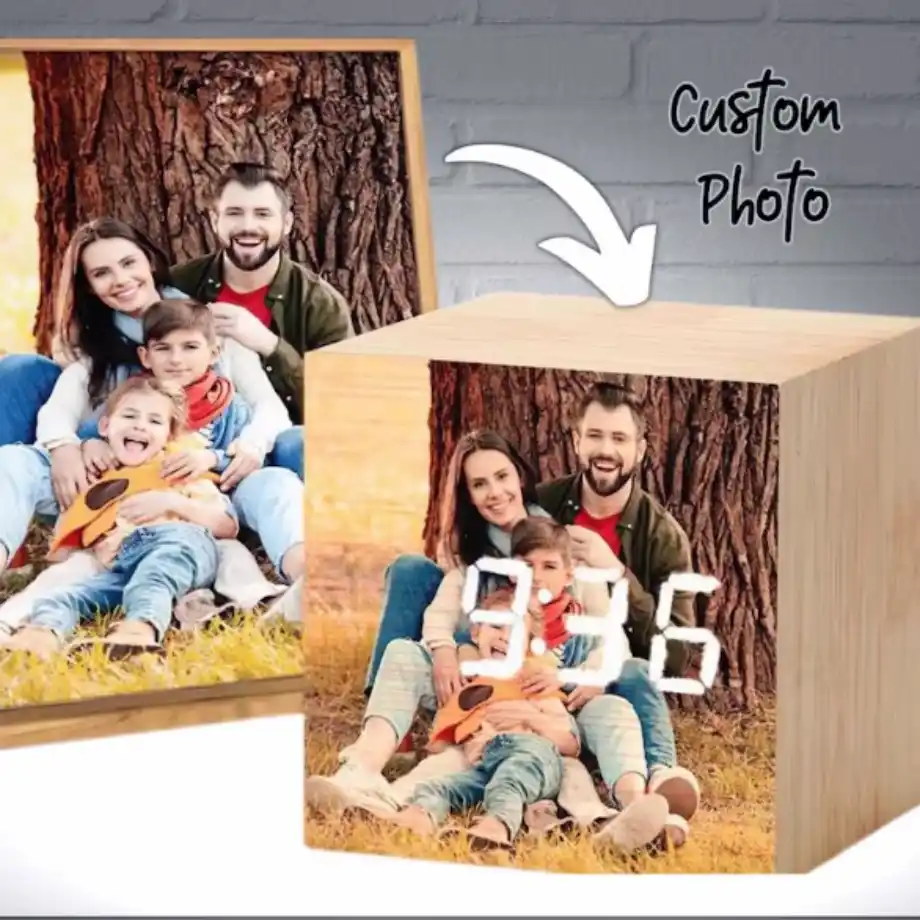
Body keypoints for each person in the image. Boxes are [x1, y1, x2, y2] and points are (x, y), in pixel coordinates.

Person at [304, 430, 672, 853]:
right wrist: (445, 654)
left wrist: (578, 680)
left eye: (502, 477)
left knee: (611, 709)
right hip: (483, 699)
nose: (495, 492)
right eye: (480, 484)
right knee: (406, 657)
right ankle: (362, 772)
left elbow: (609, 633)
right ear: (469, 497)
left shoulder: (563, 544)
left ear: (520, 476)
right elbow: (440, 616)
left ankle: (633, 806)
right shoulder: (474, 560)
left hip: (555, 703)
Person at [360, 387, 703, 831]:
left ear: (641, 449)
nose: (605, 449)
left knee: (634, 671)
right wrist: (452, 647)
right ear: (575, 440)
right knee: (410, 571)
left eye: (619, 439)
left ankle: (658, 778)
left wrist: (615, 570)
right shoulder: (542, 503)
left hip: (593, 660)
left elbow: (665, 652)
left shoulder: (658, 535)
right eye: (594, 436)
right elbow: (461, 598)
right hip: (506, 653)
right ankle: (388, 729)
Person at [0, 219, 304, 622]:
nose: (121, 279)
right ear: (89, 285)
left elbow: (269, 408)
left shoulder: (208, 326)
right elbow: (62, 408)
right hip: (118, 486)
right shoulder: (95, 343)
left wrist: (242, 451)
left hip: (211, 489)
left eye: (129, 263)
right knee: (13, 462)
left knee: (278, 481)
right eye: (101, 273)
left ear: (150, 261)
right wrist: (67, 447)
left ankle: (307, 583)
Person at [1, 376, 236, 660]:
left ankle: (138, 631)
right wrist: (93, 550)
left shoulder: (178, 471)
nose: (140, 425)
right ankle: (38, 637)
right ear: (105, 426)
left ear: (169, 437)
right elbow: (67, 546)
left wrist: (172, 502)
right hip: (121, 564)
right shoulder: (99, 479)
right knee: (66, 595)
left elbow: (227, 527)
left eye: (154, 421)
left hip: (176, 543)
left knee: (155, 576)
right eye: (129, 415)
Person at [169, 161, 357, 469]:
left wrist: (269, 345)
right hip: (193, 439)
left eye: (262, 214)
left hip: (279, 442)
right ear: (215, 220)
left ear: (286, 224)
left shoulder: (319, 302)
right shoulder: (184, 284)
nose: (248, 226)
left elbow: (341, 401)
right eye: (234, 213)